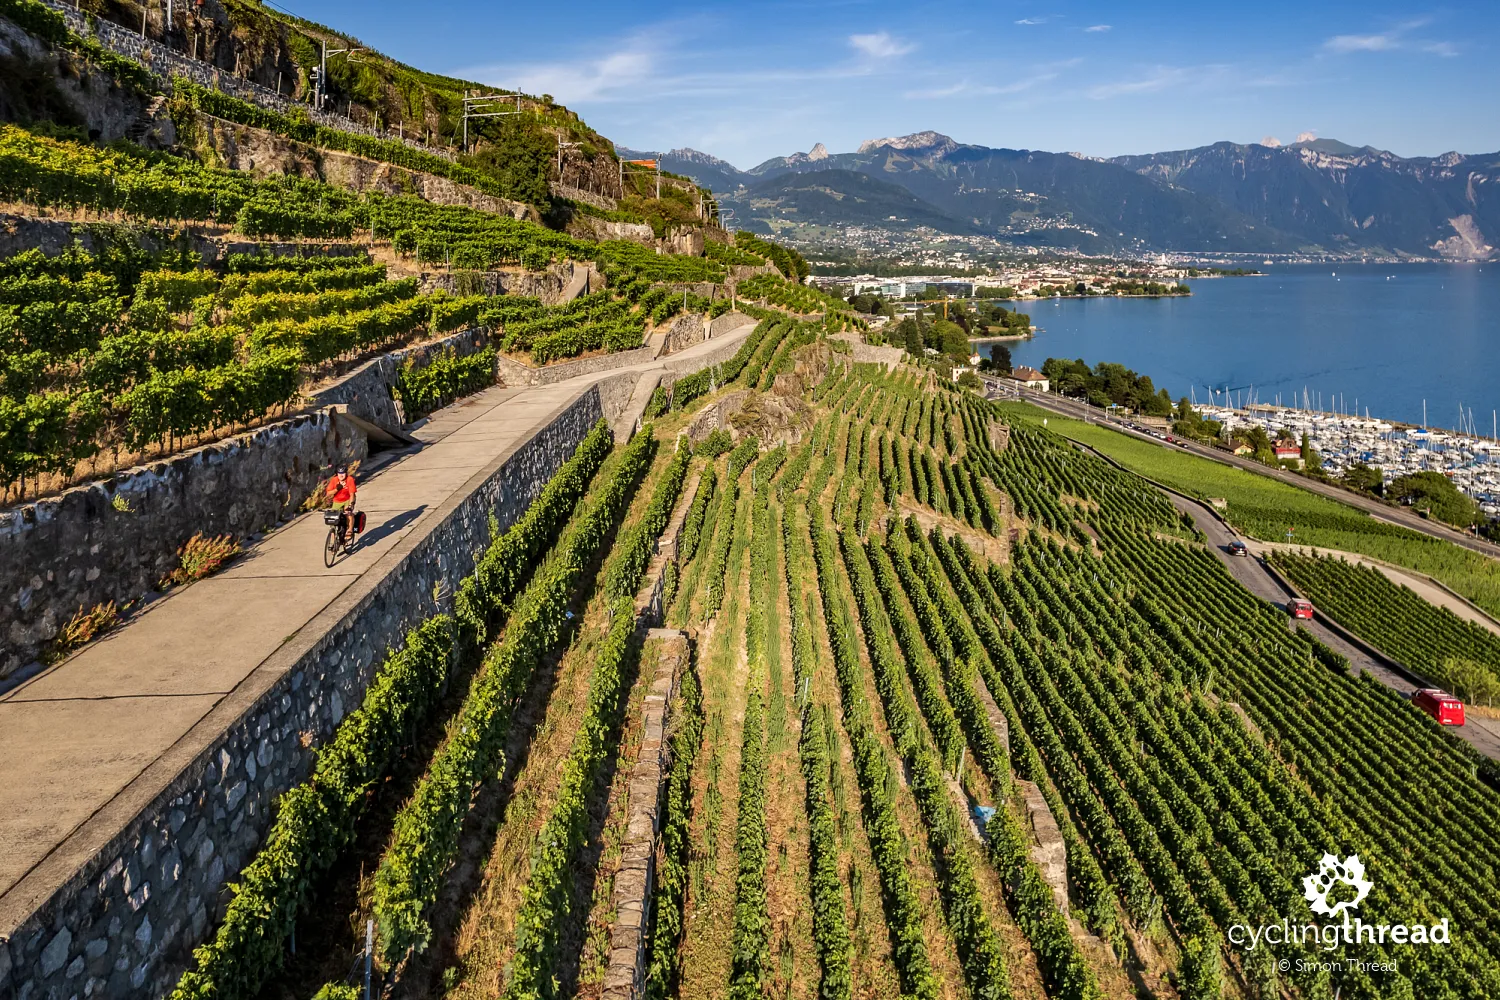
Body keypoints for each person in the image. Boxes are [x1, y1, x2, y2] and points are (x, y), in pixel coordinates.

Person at [324, 465, 359, 542]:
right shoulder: (334, 480)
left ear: (346, 473)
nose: (341, 475)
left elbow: (352, 494)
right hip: (337, 501)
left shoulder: (350, 480)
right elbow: (329, 493)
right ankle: (334, 543)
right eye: (339, 473)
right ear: (337, 474)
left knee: (348, 513)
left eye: (343, 473)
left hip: (347, 499)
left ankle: (349, 530)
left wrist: (351, 505)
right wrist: (337, 489)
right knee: (333, 520)